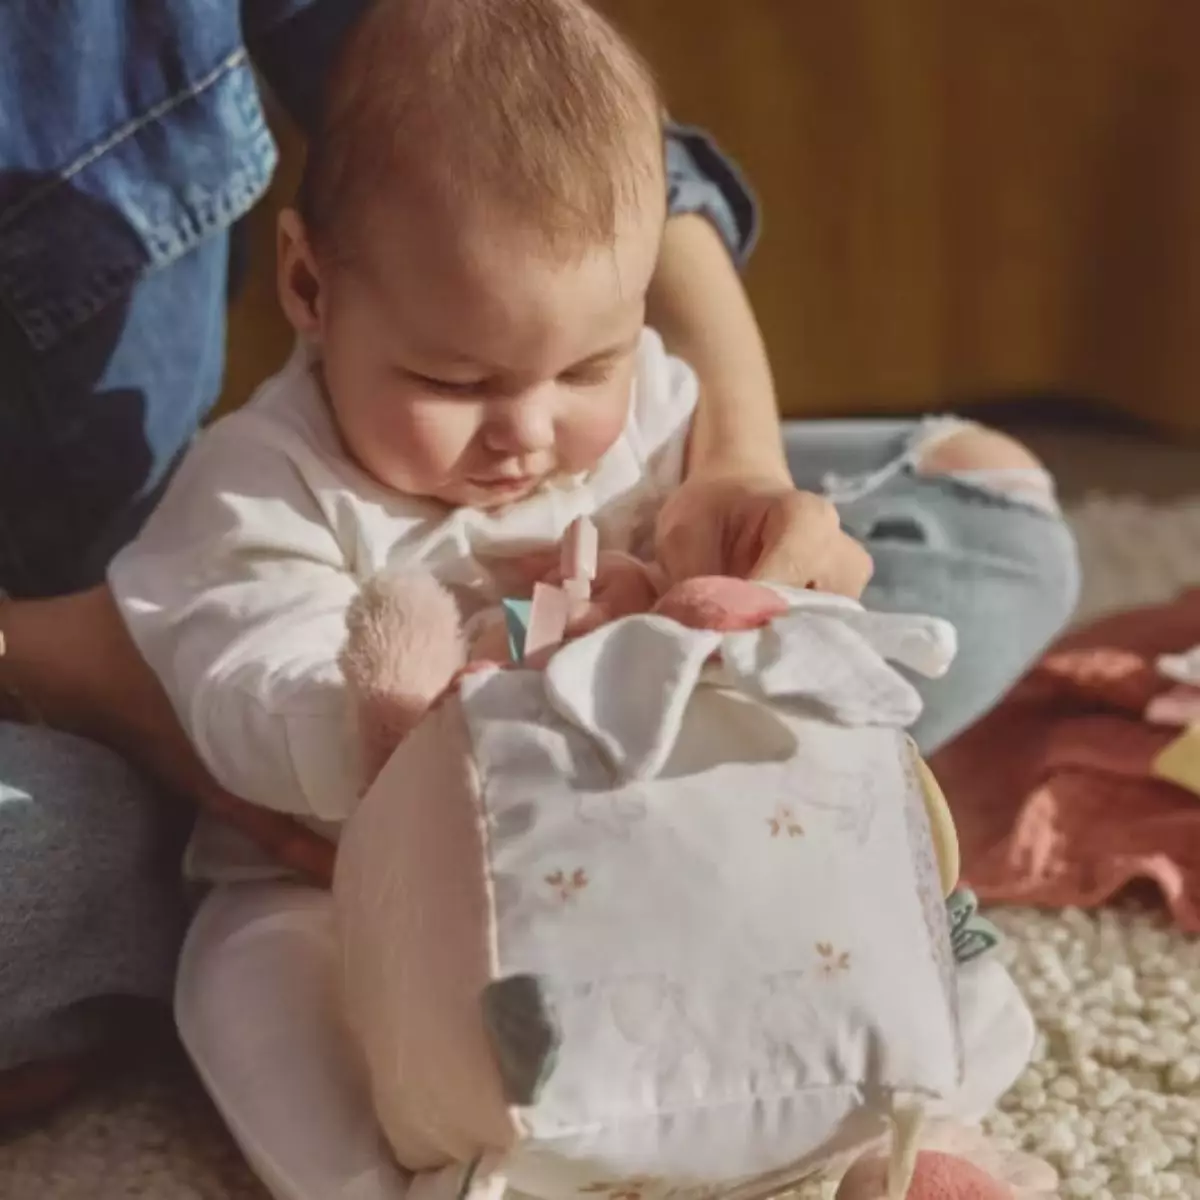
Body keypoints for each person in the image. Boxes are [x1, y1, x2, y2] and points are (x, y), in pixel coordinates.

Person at [0, 0, 1077, 1130]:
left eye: (588, 367)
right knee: (263, 983)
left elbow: (520, 105)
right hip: (352, 873)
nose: (526, 432)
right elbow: (249, 685)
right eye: (457, 384)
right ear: (310, 290)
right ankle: (425, 1155)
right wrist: (396, 712)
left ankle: (896, 1121)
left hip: (637, 830)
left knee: (986, 521)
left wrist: (745, 503)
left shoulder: (647, 399)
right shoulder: (260, 486)